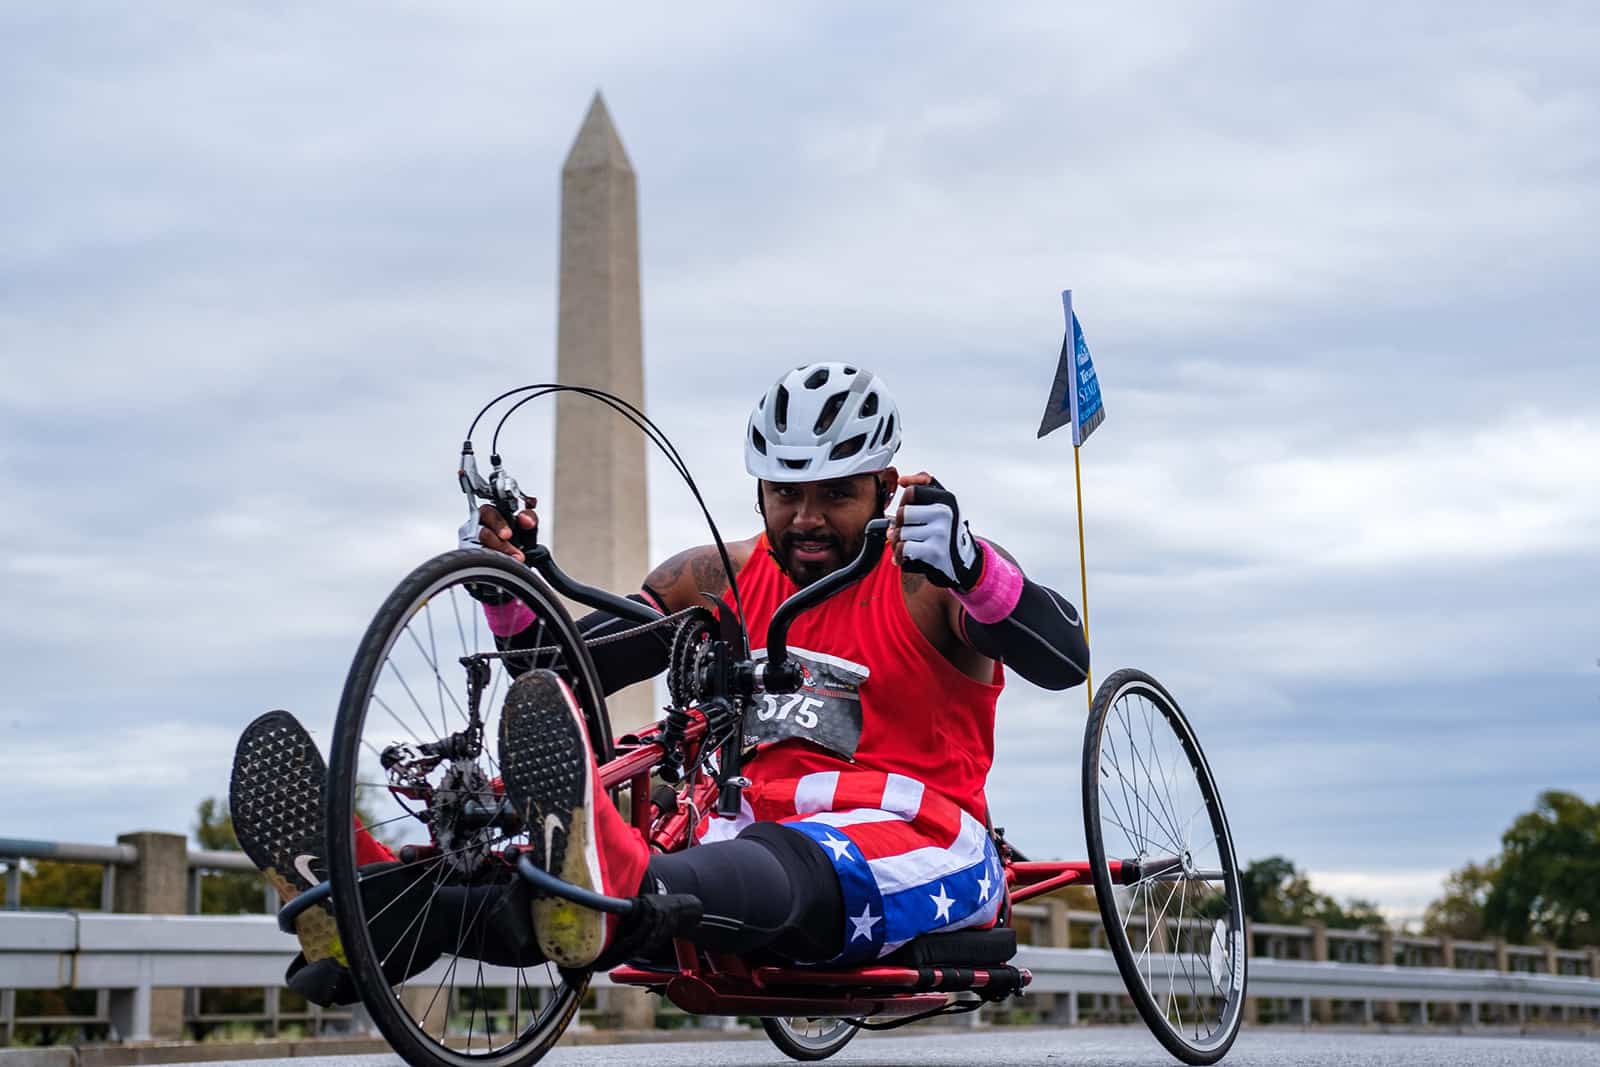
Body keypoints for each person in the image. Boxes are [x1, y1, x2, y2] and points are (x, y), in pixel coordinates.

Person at [229, 362, 1090, 1002]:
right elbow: (563, 671)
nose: (809, 517)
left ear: (886, 483)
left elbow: (1065, 656)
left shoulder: (929, 573)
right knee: (585, 887)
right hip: (746, 822)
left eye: (838, 493)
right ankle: (374, 908)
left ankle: (609, 870)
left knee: (714, 866)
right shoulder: (716, 577)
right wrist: (506, 592)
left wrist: (976, 567)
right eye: (787, 493)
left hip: (917, 831)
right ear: (759, 489)